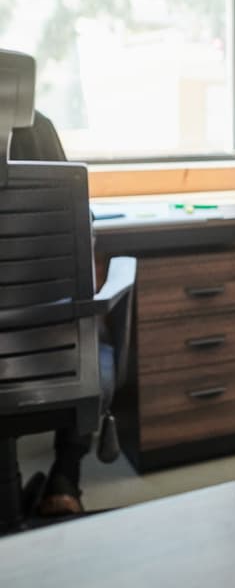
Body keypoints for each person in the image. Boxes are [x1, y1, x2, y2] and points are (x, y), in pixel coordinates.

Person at [10, 111, 91, 516]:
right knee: (88, 332)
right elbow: (80, 222)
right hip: (45, 346)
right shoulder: (35, 125)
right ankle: (64, 479)